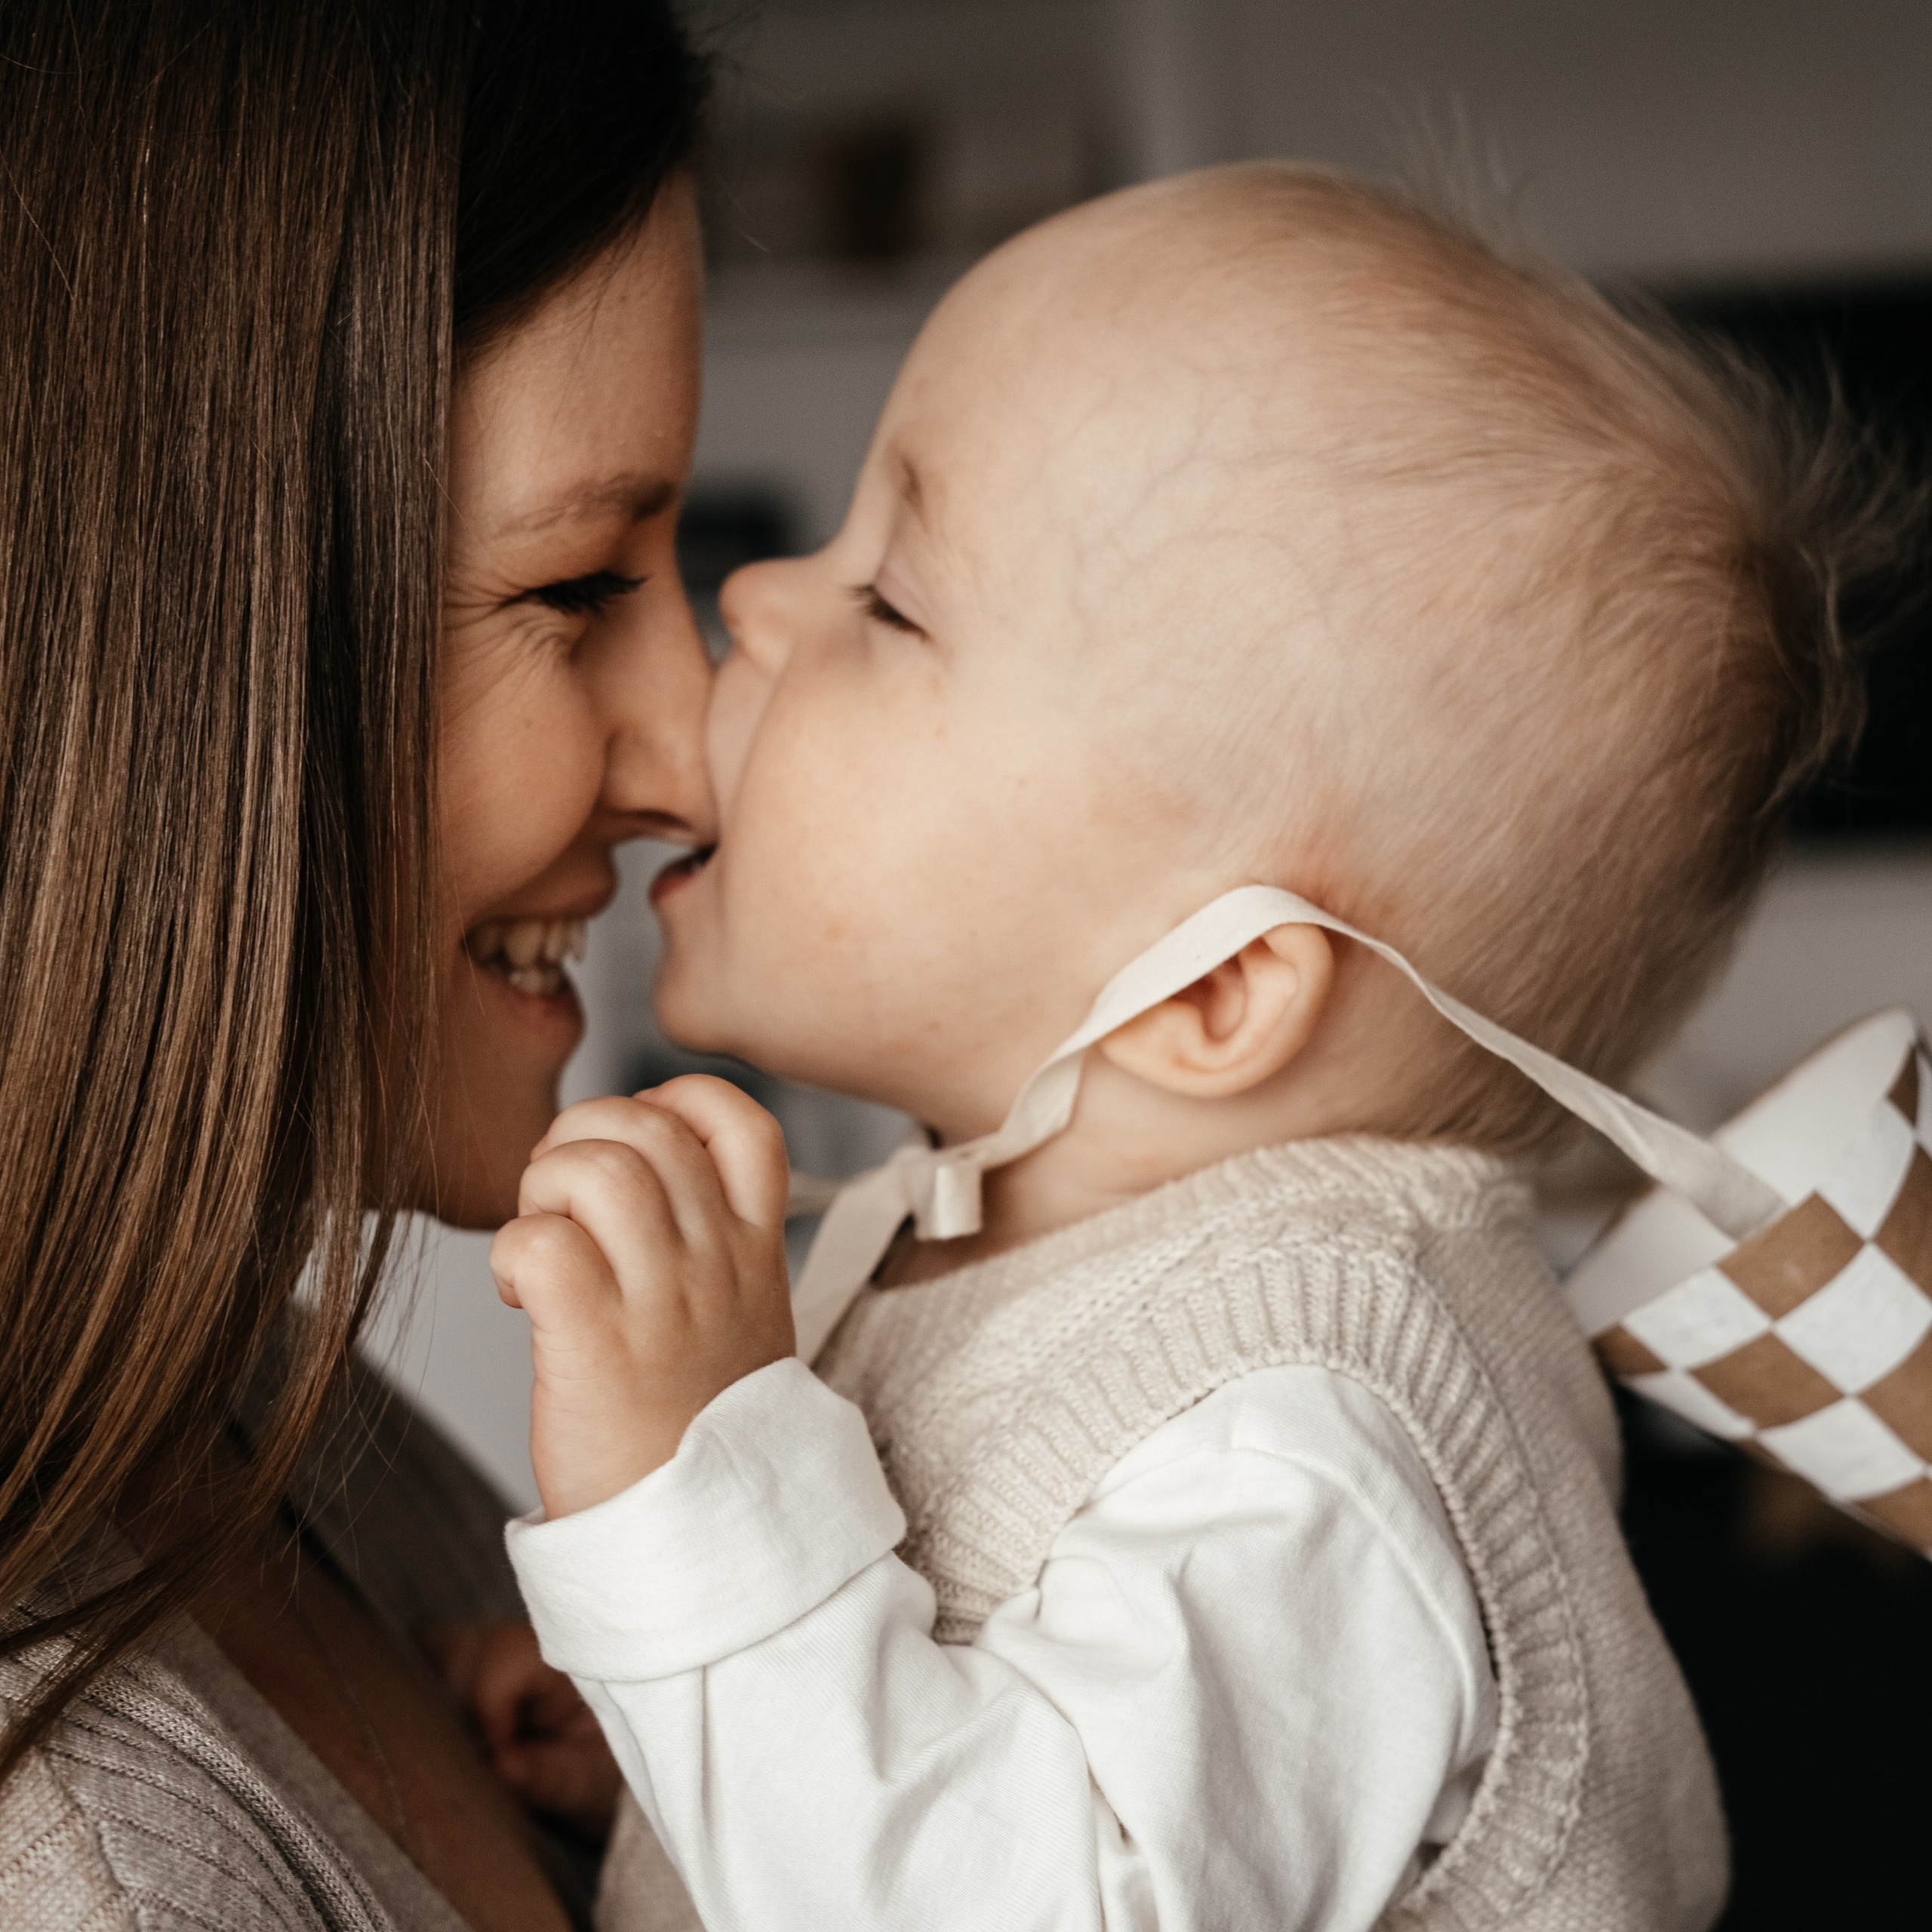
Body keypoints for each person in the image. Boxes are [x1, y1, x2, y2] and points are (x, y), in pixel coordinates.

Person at [487, 165, 1898, 1930]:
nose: (763, 593)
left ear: (1200, 995)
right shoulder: (1038, 1262)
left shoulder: (1303, 1433)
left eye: (892, 600)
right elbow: (976, 1751)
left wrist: (688, 1503)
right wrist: (658, 1749)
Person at [0, 4, 716, 1927]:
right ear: (156, 658)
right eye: (577, 588)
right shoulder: (79, 1860)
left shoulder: (253, 1418)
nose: (696, 750)